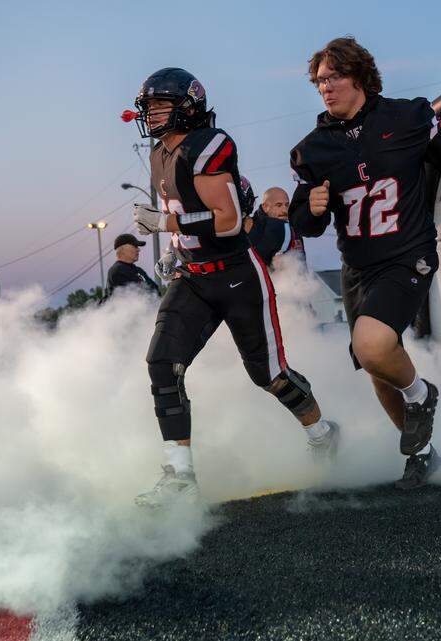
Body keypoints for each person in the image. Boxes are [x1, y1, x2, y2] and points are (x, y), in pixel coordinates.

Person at [126, 67, 341, 507]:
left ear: (190, 107)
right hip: (193, 275)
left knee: (269, 376)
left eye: (162, 105)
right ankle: (180, 477)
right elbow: (186, 215)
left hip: (236, 274)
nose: (153, 113)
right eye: (149, 106)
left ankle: (322, 433)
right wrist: (175, 248)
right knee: (162, 364)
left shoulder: (209, 145)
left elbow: (226, 221)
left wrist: (165, 224)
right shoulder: (159, 153)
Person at [289, 37, 441, 490]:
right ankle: (422, 454)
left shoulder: (407, 117)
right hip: (358, 267)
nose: (325, 87)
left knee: (373, 345)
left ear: (359, 76)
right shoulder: (313, 149)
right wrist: (311, 208)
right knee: (376, 367)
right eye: (319, 81)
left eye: (334, 77)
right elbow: (307, 224)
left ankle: (421, 393)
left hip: (407, 253)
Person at [247, 187, 306, 267]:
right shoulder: (252, 230)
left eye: (287, 205)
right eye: (279, 205)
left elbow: (301, 265)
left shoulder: (293, 229)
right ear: (265, 207)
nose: (285, 210)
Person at [105, 233, 159, 297]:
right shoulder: (117, 270)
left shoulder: (138, 270)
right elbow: (135, 294)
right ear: (123, 250)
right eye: (135, 246)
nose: (138, 250)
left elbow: (156, 291)